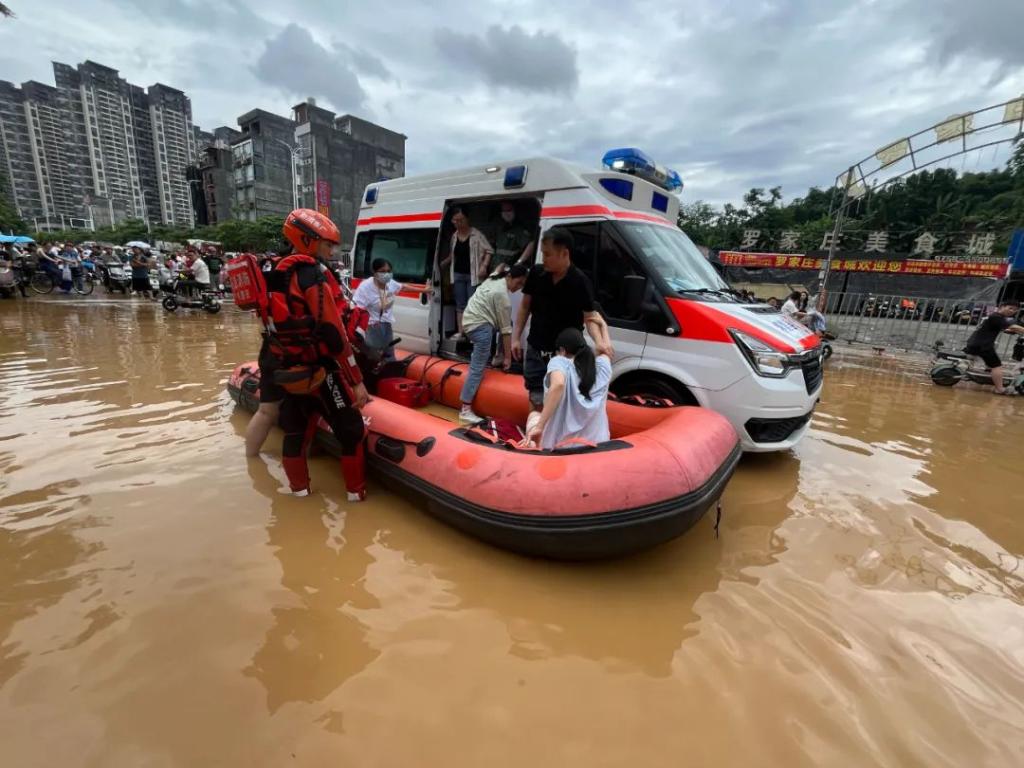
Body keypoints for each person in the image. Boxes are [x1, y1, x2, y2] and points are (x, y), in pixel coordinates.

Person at [511, 227, 613, 410]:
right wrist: (516, 337)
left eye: (548, 254)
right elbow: (525, 306)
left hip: (566, 355)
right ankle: (534, 431)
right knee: (535, 396)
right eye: (543, 253)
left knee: (562, 399)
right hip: (536, 348)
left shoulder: (580, 281)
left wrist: (599, 342)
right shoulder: (536, 273)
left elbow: (590, 317)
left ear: (564, 253)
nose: (543, 259)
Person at [458, 263, 530, 422]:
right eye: (518, 283)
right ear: (509, 277)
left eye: (522, 285)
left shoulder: (494, 278)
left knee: (507, 323)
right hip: (479, 328)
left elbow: (499, 267)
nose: (518, 288)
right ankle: (465, 408)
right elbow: (506, 333)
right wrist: (508, 359)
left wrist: (508, 264)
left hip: (469, 321)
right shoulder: (502, 297)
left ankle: (497, 357)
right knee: (477, 368)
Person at [521, 327, 612, 450]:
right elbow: (605, 351)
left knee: (534, 416)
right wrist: (602, 325)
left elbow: (558, 384)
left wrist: (540, 426)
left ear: (562, 351)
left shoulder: (560, 362)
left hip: (563, 448)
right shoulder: (602, 367)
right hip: (598, 445)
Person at [439, 208, 492, 338]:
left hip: (473, 275)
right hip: (457, 274)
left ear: (467, 219)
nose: (458, 223)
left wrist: (483, 266)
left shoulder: (476, 235)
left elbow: (489, 251)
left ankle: (473, 334)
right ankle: (461, 332)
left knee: (472, 305)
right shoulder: (454, 236)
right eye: (455, 220)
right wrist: (440, 265)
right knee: (460, 304)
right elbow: (453, 255)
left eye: (460, 220)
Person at [964, 302, 1024, 395]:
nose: (1013, 311)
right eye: (1010, 308)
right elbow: (1012, 326)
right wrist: (1017, 329)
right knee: (997, 366)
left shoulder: (994, 316)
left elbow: (1005, 328)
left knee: (991, 363)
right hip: (983, 346)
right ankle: (1000, 389)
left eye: (1015, 310)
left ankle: (989, 375)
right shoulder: (997, 317)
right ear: (1002, 307)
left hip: (976, 343)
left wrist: (1014, 331)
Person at [352, 258, 402, 361]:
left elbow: (403, 287)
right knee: (374, 357)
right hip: (372, 326)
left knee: (389, 355)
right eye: (383, 271)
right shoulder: (365, 286)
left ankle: (390, 371)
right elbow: (357, 308)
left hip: (386, 323)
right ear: (374, 272)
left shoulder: (389, 283)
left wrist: (424, 290)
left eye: (388, 271)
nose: (386, 274)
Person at [491, 201, 535, 270]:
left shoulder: (519, 229)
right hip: (495, 268)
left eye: (509, 210)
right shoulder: (500, 228)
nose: (506, 213)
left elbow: (531, 244)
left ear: (514, 211)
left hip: (508, 269)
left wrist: (519, 262)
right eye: (504, 211)